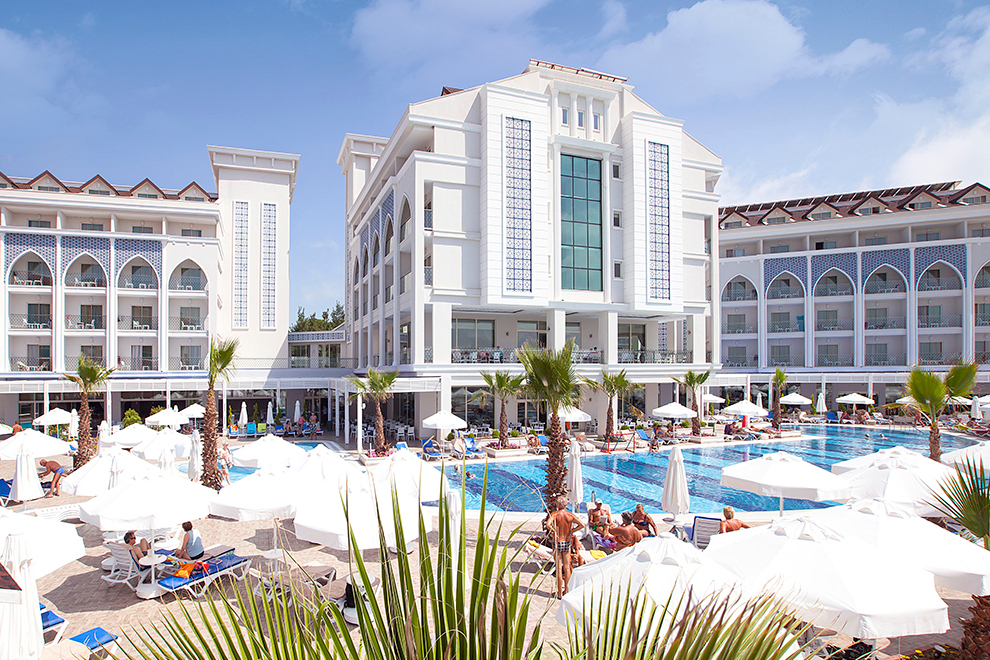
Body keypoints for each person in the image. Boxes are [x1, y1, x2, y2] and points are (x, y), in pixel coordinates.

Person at [545, 495, 584, 598]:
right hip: (566, 542)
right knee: (567, 567)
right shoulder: (570, 515)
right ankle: (567, 590)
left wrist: (554, 531)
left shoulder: (555, 514)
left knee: (558, 567)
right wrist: (572, 531)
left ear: (558, 504)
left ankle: (559, 593)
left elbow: (548, 525)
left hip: (557, 541)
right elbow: (582, 525)